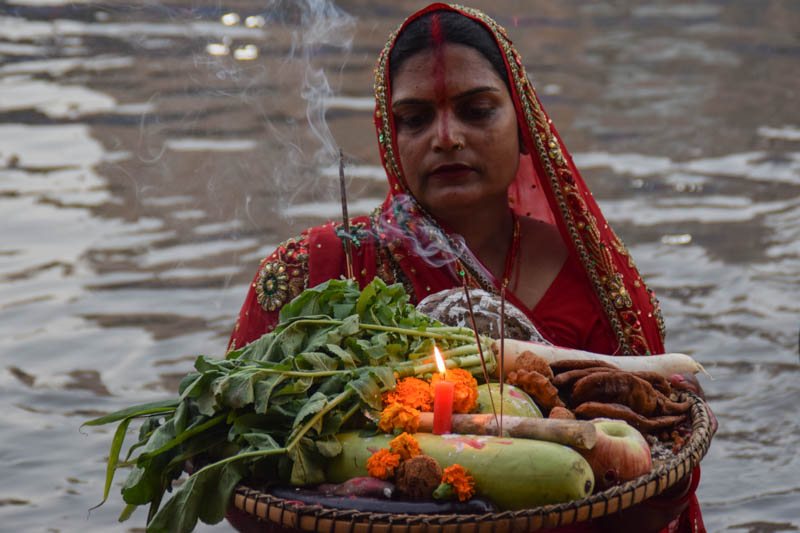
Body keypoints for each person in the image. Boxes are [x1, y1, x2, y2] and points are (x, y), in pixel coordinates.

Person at [226, 4, 708, 532]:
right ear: (390, 138)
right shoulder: (320, 271)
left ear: (524, 124)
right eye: (414, 118)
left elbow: (663, 475)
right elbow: (237, 476)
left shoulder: (591, 280)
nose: (446, 137)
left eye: (476, 111)